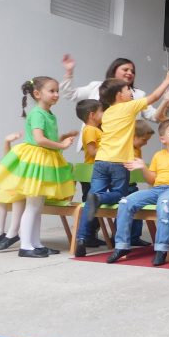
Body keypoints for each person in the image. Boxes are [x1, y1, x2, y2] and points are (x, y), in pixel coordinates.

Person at [74, 68, 169, 257]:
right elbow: (154, 97)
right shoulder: (128, 107)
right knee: (122, 195)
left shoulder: (106, 113)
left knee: (92, 197)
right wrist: (168, 79)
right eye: (128, 89)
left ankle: (81, 238)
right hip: (118, 162)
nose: (131, 92)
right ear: (119, 95)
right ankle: (100, 199)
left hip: (101, 161)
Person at [0, 77, 76, 257]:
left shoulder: (49, 114)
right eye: (51, 91)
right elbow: (39, 139)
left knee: (37, 206)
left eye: (57, 91)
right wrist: (62, 145)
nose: (56, 94)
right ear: (37, 94)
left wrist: (61, 142)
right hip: (37, 159)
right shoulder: (37, 114)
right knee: (33, 205)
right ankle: (26, 246)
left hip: (44, 159)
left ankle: (35, 244)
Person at [106, 119, 169, 266]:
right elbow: (152, 180)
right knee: (125, 202)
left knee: (164, 203)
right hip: (157, 189)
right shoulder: (158, 155)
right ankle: (122, 246)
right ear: (163, 139)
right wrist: (143, 167)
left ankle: (161, 249)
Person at [60, 55, 158, 126]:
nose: (130, 73)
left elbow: (153, 116)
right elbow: (70, 94)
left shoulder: (139, 94)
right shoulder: (96, 87)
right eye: (125, 70)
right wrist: (69, 72)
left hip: (124, 144)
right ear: (114, 70)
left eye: (132, 71)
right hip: (94, 142)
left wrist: (165, 102)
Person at [0, 132, 26, 252]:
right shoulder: (23, 147)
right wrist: (7, 142)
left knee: (18, 196)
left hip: (33, 187)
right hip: (19, 184)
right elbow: (8, 159)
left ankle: (13, 232)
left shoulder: (38, 149)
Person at [75, 99, 104, 248]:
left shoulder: (96, 129)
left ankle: (90, 236)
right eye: (101, 111)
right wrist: (110, 148)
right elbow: (92, 152)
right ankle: (86, 236)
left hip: (96, 172)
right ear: (92, 115)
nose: (104, 114)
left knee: (95, 204)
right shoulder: (90, 130)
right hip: (91, 172)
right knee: (91, 204)